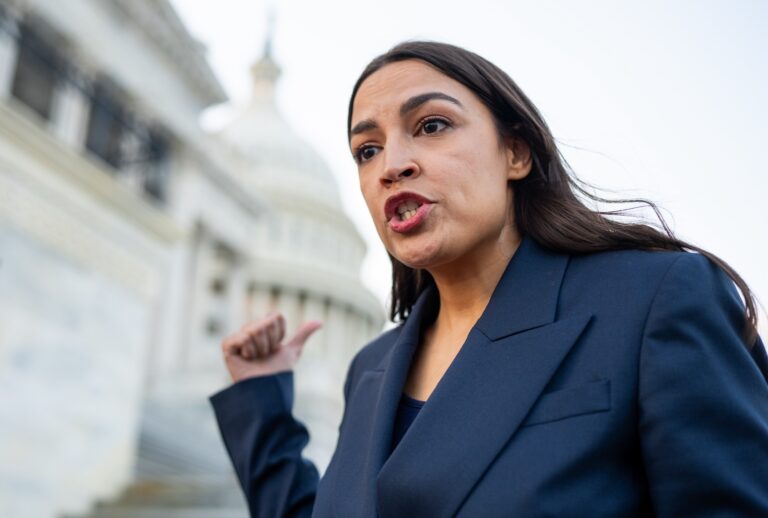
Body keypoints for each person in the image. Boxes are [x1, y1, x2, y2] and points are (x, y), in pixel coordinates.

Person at [209, 41, 768, 517]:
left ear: (516, 152)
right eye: (367, 149)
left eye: (431, 126)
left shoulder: (654, 298)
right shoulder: (371, 368)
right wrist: (261, 400)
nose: (391, 165)